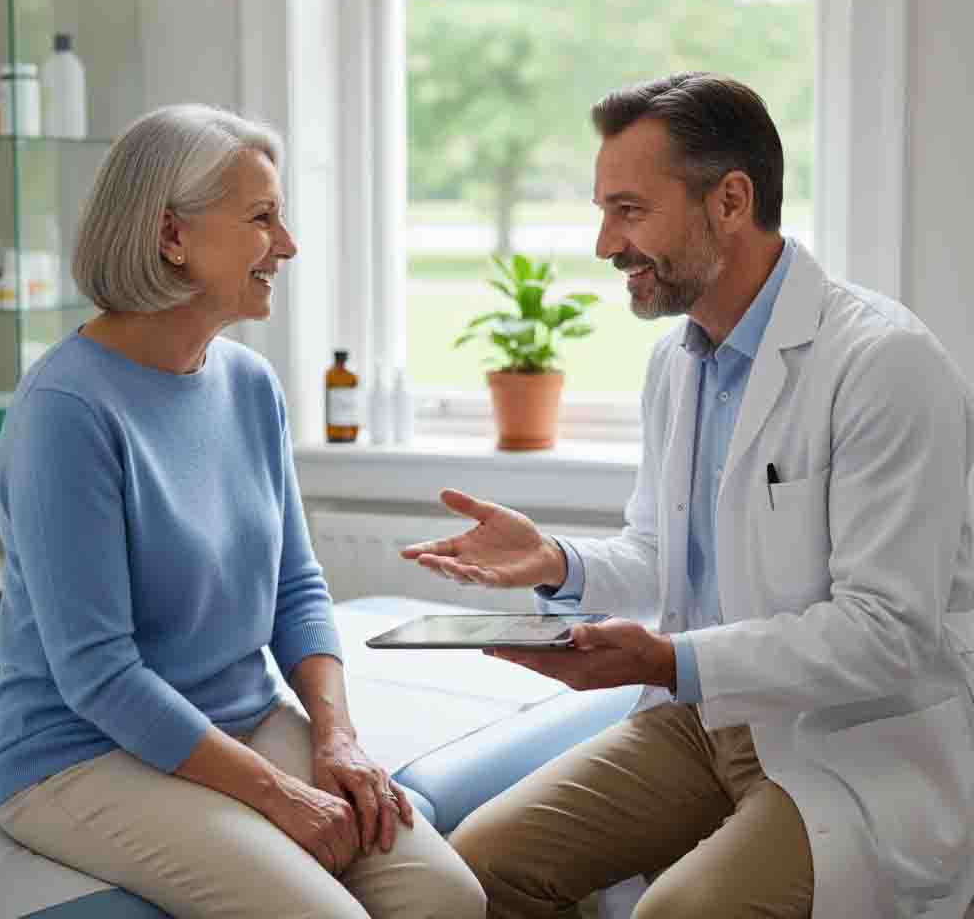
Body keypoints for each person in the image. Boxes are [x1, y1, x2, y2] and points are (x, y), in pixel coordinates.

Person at [402, 73, 974, 918]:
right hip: (703, 720)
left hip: (850, 739)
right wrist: (558, 561)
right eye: (603, 211)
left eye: (628, 211)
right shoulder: (680, 363)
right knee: (477, 869)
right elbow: (664, 555)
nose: (604, 244)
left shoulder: (882, 365)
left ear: (732, 200)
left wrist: (672, 660)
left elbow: (887, 635)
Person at [0, 105, 485, 919]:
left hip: (241, 720)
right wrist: (282, 798)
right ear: (172, 235)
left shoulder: (249, 385)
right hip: (78, 755)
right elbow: (99, 675)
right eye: (262, 218)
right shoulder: (65, 412)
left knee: (445, 896)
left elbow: (295, 588)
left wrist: (335, 736)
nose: (285, 245)